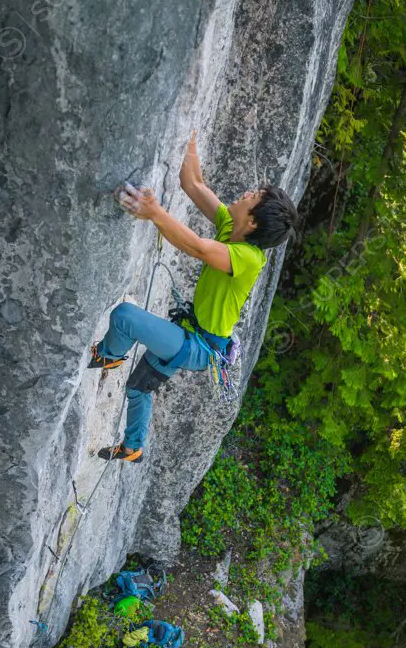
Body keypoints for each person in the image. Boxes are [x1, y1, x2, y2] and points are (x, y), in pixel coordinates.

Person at [89, 132, 298, 463]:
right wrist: (188, 135)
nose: (246, 192)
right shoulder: (233, 225)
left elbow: (198, 247)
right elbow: (194, 183)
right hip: (193, 335)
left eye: (253, 196)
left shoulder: (248, 257)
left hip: (198, 348)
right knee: (138, 388)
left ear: (253, 221)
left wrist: (154, 212)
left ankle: (109, 355)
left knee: (125, 317)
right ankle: (133, 447)